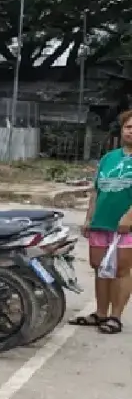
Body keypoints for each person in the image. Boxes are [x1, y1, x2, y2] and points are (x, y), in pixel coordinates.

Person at [72, 109, 132, 334]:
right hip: (101, 222)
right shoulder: (109, 158)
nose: (131, 132)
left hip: (126, 226)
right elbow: (97, 191)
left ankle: (115, 317)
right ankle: (100, 313)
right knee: (99, 267)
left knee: (121, 269)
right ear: (122, 130)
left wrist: (129, 217)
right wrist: (89, 218)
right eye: (129, 127)